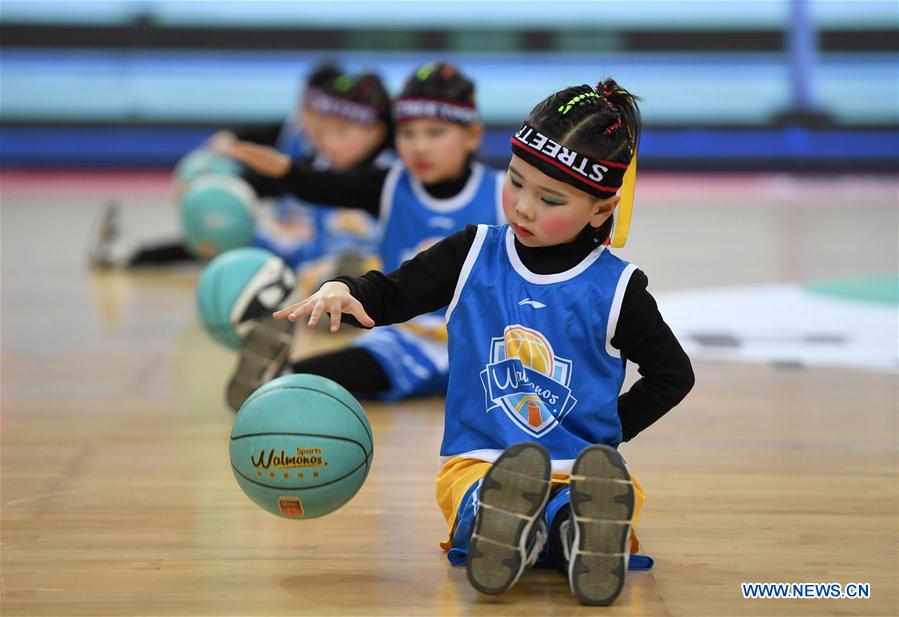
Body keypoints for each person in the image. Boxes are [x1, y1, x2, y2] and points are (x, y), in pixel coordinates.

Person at [270, 79, 694, 605]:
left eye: (550, 198)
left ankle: (564, 532)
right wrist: (346, 290)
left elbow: (673, 374)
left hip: (581, 471)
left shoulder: (618, 287)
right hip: (480, 462)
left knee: (577, 501)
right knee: (485, 495)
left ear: (602, 210)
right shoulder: (471, 253)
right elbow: (393, 293)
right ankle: (541, 530)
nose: (523, 207)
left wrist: (612, 429)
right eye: (515, 183)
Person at [224, 61, 505, 411]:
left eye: (435, 133)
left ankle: (285, 380)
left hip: (479, 342)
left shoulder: (502, 192)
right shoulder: (389, 183)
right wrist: (285, 171)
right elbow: (327, 186)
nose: (419, 147)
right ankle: (286, 380)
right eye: (408, 134)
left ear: (472, 136)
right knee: (371, 355)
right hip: (401, 329)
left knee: (377, 362)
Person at [88, 63, 393, 271]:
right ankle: (131, 254)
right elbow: (263, 180)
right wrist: (206, 190)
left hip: (363, 270)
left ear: (377, 132)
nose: (325, 139)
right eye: (322, 129)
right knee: (225, 236)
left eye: (340, 132)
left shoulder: (392, 176)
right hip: (301, 255)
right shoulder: (316, 159)